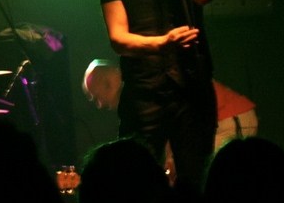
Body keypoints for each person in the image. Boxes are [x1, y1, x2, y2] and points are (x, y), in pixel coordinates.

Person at [98, 0, 219, 192]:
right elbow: (118, 38)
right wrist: (162, 43)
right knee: (138, 182)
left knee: (196, 180)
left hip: (192, 87)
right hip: (144, 90)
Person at [83, 58, 257, 153]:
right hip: (214, 122)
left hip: (227, 117)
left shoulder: (141, 84)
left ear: (107, 83)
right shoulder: (135, 91)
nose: (99, 105)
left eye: (96, 97)